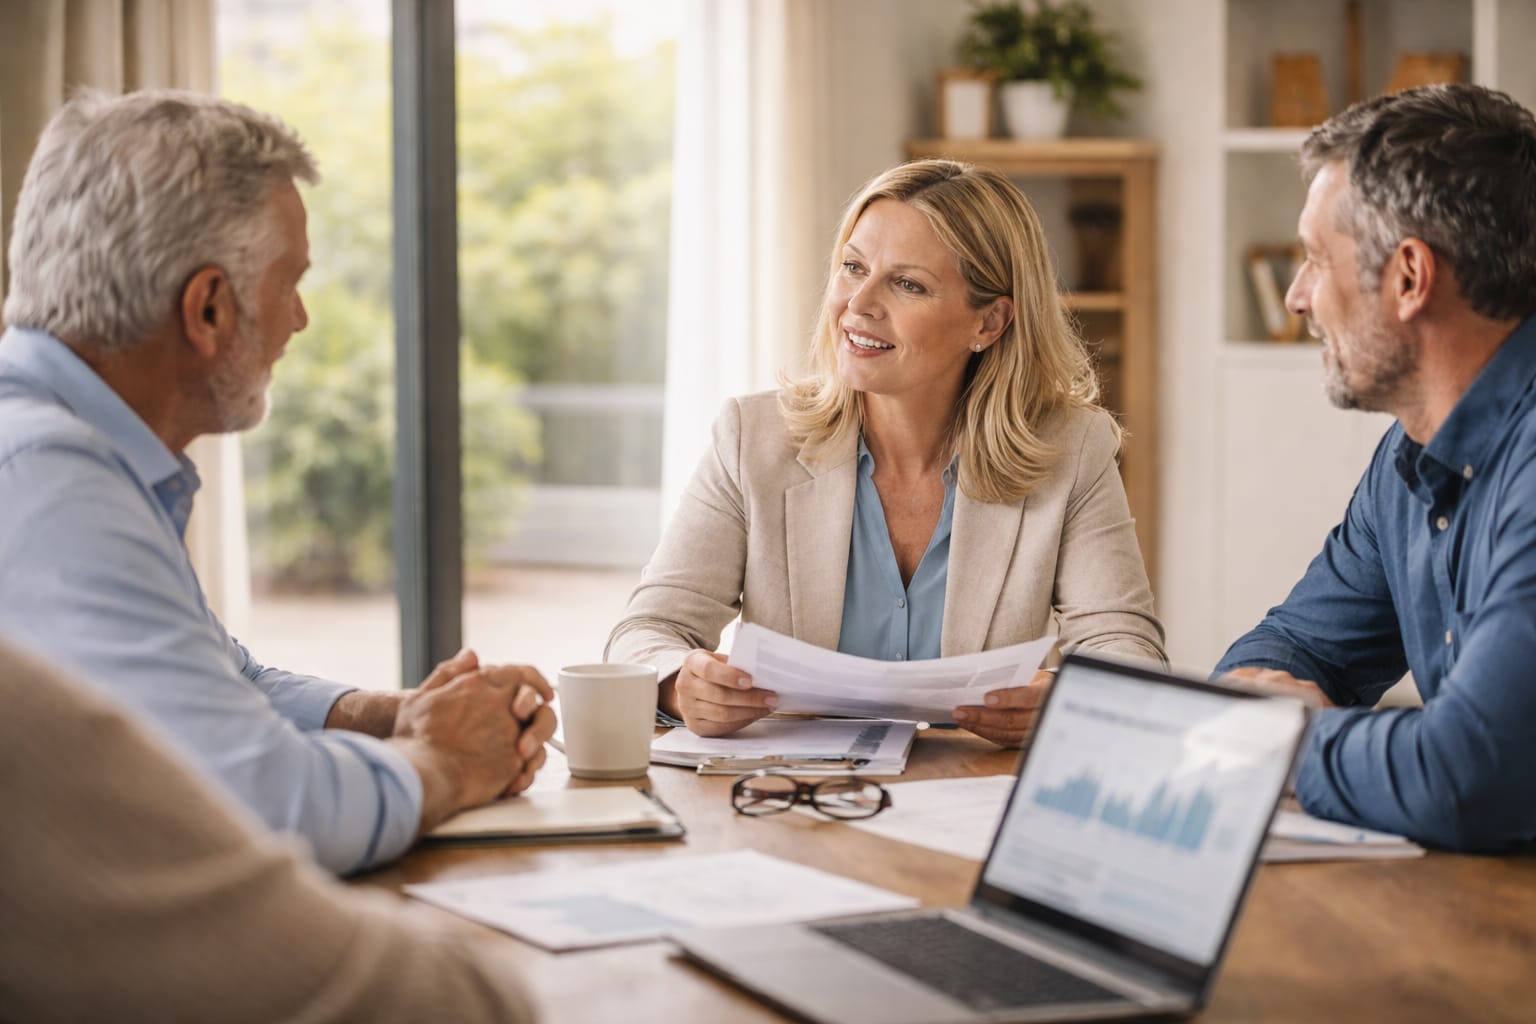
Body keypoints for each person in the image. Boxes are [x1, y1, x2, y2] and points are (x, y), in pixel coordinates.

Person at [0, 89, 556, 875]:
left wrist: (394, 715)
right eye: (289, 283)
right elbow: (270, 808)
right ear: (209, 308)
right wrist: (446, 762)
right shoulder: (49, 480)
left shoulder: (75, 449)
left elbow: (226, 683)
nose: (299, 319)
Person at [607, 159, 1165, 746]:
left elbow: (1127, 645)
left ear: (991, 322)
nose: (858, 304)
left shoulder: (1071, 449)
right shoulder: (753, 438)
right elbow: (649, 629)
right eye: (853, 268)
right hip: (794, 798)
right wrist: (679, 684)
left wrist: (1067, 698)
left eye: (908, 284)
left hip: (975, 799)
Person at [1215, 84, 1536, 852]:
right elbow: (1292, 651)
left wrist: (1287, 742)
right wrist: (1263, 710)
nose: (1296, 297)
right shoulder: (1409, 457)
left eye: (1316, 261)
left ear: (1408, 278)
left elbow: (1468, 776)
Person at [0, 635, 539, 1024]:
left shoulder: (122, 496)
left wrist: (420, 714)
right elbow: (277, 807)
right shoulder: (69, 496)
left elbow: (240, 678)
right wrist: (443, 758)